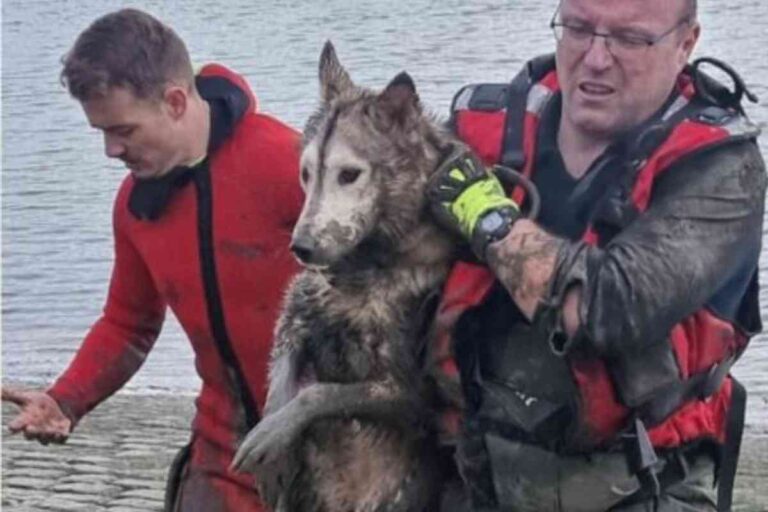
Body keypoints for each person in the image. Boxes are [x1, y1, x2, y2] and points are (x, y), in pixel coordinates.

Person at [427, 0, 766, 510]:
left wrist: (488, 219)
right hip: (479, 475)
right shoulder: (484, 129)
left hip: (639, 485)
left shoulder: (723, 169)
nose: (595, 58)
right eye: (579, 28)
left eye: (630, 39)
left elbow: (610, 308)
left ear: (686, 44)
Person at [1, 8, 303, 511]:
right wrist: (66, 399)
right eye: (101, 131)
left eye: (124, 130)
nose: (110, 150)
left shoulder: (290, 163)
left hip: (334, 447)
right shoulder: (134, 208)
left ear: (176, 101)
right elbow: (129, 323)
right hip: (225, 458)